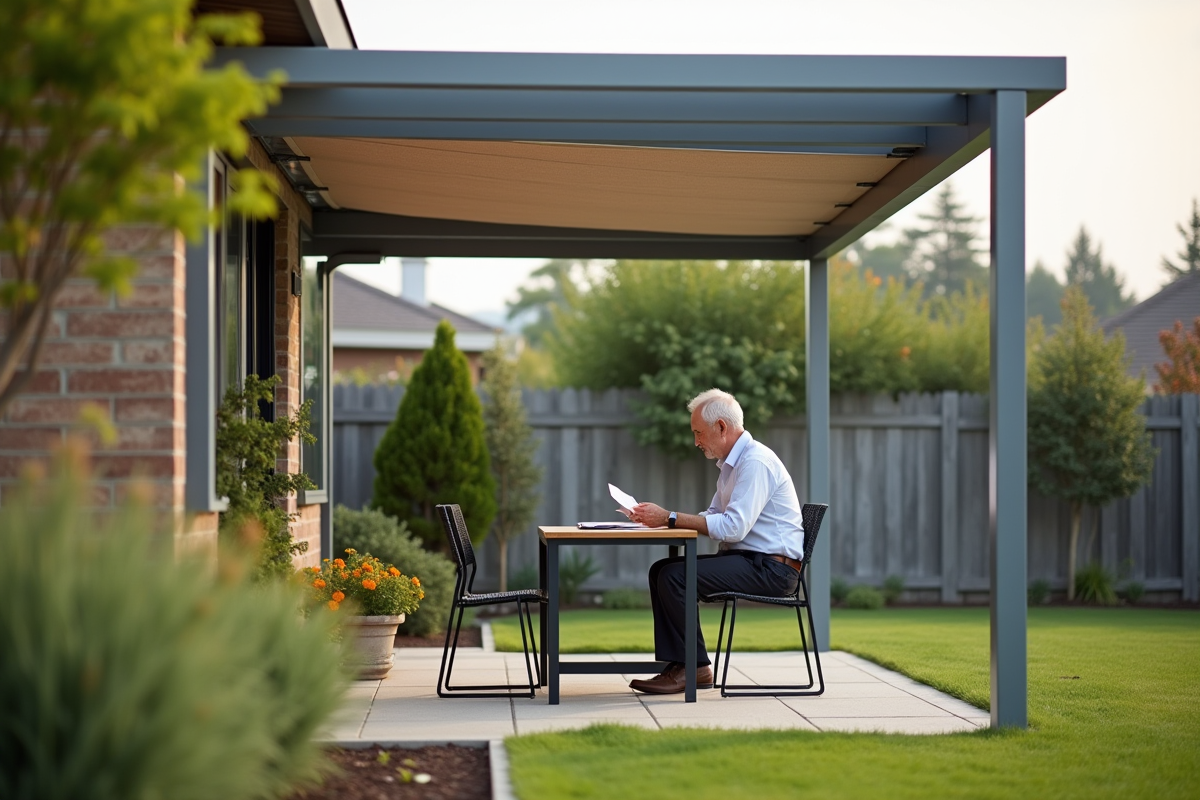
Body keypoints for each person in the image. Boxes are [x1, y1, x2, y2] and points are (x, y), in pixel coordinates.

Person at [626, 388, 806, 694]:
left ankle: (694, 668)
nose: (696, 441)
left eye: (698, 432)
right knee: (661, 570)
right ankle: (682, 664)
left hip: (773, 570)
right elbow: (712, 515)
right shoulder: (731, 466)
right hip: (750, 560)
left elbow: (733, 527)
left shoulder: (755, 463)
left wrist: (670, 516)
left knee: (674, 576)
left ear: (721, 427)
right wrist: (662, 521)